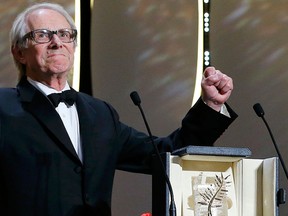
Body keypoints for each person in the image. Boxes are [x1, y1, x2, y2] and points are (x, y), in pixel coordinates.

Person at [0, 2, 237, 216]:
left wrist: (211, 105)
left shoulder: (100, 114)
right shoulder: (4, 107)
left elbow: (165, 154)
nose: (57, 42)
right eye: (42, 35)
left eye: (65, 34)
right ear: (19, 52)